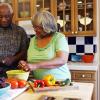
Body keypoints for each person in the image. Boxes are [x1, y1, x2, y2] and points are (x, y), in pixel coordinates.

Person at [19, 10, 71, 80]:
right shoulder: (33, 40)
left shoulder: (59, 38)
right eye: (34, 26)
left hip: (60, 82)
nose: (35, 30)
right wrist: (25, 64)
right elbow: (33, 61)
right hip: (41, 84)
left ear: (48, 27)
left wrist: (36, 66)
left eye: (39, 27)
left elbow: (62, 60)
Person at [0, 3, 29, 77]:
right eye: (0, 17)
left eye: (7, 17)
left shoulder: (20, 31)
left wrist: (13, 59)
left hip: (14, 71)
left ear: (12, 15)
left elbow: (25, 51)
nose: (3, 20)